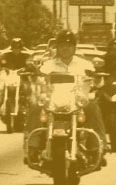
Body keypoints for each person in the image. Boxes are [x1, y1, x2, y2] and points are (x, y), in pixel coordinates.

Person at [24, 30, 108, 163]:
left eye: (68, 45)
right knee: (35, 106)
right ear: (57, 47)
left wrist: (97, 77)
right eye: (62, 45)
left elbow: (98, 83)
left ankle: (99, 147)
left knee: (93, 107)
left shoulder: (85, 65)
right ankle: (32, 146)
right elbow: (38, 81)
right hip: (53, 100)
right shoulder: (48, 65)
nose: (65, 48)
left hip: (78, 101)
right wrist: (34, 76)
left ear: (74, 47)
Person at [0, 36, 33, 118]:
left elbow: (29, 63)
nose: (16, 50)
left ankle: (32, 109)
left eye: (18, 48)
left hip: (23, 78)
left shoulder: (25, 56)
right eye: (14, 48)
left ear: (21, 48)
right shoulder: (7, 56)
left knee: (28, 89)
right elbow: (1, 62)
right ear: (12, 48)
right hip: (10, 79)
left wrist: (29, 67)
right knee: (3, 88)